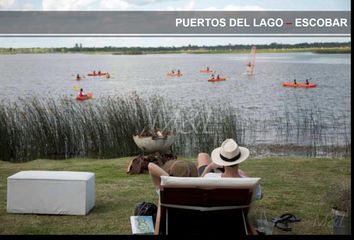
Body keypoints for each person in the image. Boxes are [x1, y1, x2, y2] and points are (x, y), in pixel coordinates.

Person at [148, 138, 262, 200]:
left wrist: (209, 167)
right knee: (203, 156)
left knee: (202, 156)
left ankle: (209, 163)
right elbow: (259, 196)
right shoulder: (252, 184)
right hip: (235, 212)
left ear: (222, 162)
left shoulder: (209, 178)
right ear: (240, 160)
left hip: (212, 178)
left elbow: (199, 182)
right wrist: (241, 174)